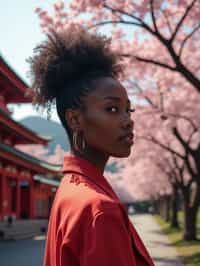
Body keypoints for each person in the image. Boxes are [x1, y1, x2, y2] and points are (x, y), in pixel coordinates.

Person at [28, 27, 155, 266]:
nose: (128, 120)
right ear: (75, 119)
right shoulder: (99, 209)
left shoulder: (70, 191)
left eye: (129, 109)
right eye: (112, 109)